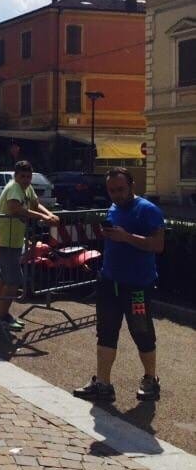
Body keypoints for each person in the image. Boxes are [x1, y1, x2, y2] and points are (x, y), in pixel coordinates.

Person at [73, 167, 164, 403]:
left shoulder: (148, 210)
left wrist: (126, 237)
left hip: (137, 286)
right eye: (112, 191)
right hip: (109, 282)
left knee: (142, 332)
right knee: (106, 332)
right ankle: (103, 384)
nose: (116, 195)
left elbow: (158, 245)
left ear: (132, 185)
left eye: (120, 189)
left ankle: (150, 379)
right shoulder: (113, 208)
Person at [0, 160, 59, 331]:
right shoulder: (14, 188)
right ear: (16, 176)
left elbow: (35, 204)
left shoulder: (27, 188)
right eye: (22, 176)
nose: (26, 180)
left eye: (28, 176)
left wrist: (50, 214)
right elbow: (15, 208)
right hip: (6, 240)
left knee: (6, 277)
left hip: (14, 240)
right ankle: (1, 317)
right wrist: (44, 217)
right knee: (14, 280)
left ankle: (1, 314)